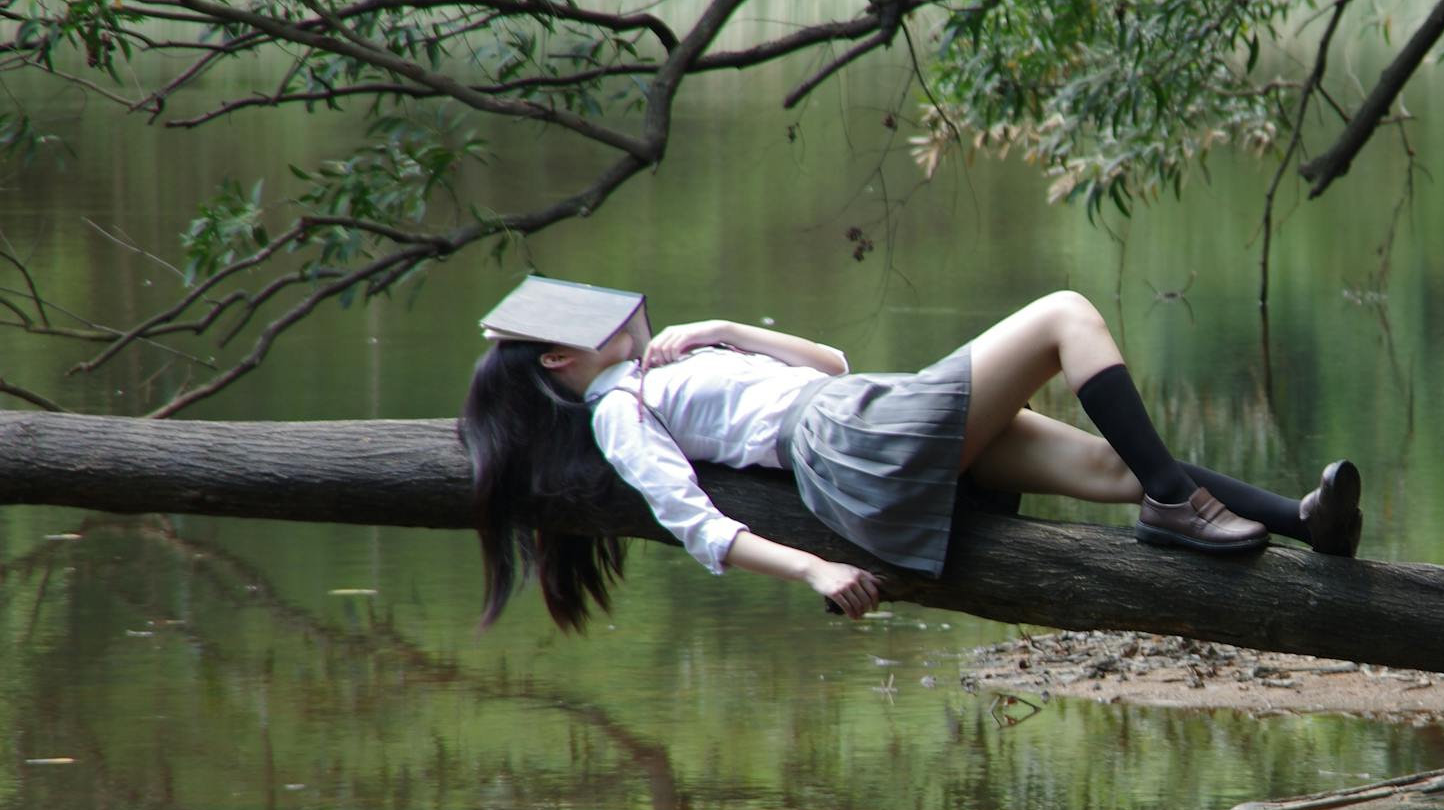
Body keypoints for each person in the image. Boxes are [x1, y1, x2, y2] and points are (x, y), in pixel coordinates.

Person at [458, 282, 1362, 630]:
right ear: (558, 360)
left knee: (1112, 469)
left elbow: (831, 364)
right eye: (595, 323)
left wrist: (725, 328)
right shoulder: (619, 411)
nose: (624, 317)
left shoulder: (666, 365)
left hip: (856, 406)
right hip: (850, 439)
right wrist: (814, 570)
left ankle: (1300, 523)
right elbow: (696, 523)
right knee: (1062, 315)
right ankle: (1175, 508)